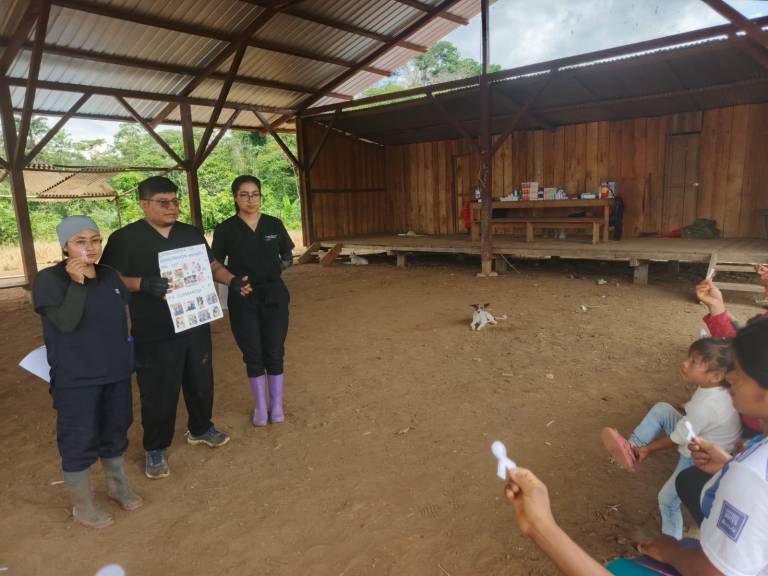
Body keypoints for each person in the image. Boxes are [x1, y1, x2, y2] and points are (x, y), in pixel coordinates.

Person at [503, 318, 768, 576]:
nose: (730, 378)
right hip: (714, 460)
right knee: (670, 430)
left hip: (706, 486)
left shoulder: (751, 477)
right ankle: (631, 447)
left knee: (662, 507)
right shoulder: (752, 459)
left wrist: (540, 526)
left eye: (739, 375)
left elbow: (715, 573)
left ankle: (644, 470)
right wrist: (728, 466)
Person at [101, 176, 234, 480]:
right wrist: (141, 284)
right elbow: (108, 279)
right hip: (155, 329)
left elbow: (211, 266)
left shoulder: (191, 233)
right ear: (143, 205)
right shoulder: (125, 239)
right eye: (164, 202)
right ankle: (155, 446)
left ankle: (201, 428)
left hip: (195, 321)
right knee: (158, 389)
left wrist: (232, 280)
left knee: (201, 378)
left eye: (175, 201)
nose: (172, 207)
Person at [33, 216, 142, 528]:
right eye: (80, 241)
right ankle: (83, 506)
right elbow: (66, 323)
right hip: (76, 378)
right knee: (78, 438)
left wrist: (127, 360)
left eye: (95, 240)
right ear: (65, 246)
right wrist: (78, 284)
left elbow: (120, 322)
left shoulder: (109, 276)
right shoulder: (49, 280)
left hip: (115, 372)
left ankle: (118, 487)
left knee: (116, 429)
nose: (90, 247)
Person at [601, 338, 741, 540]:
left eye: (693, 362)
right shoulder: (714, 388)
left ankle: (672, 542)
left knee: (667, 499)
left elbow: (679, 438)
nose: (685, 364)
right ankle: (631, 449)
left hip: (701, 458)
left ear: (716, 376)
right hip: (701, 438)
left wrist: (650, 449)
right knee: (662, 410)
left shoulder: (707, 407)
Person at [212, 175, 294, 426]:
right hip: (243, 296)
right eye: (244, 194)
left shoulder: (273, 224)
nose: (250, 199)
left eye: (255, 194)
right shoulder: (226, 228)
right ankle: (261, 408)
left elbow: (287, 254)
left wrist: (276, 270)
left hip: (274, 294)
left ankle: (277, 407)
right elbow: (214, 262)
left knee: (275, 350)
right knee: (252, 351)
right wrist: (233, 281)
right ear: (235, 197)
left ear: (260, 196)